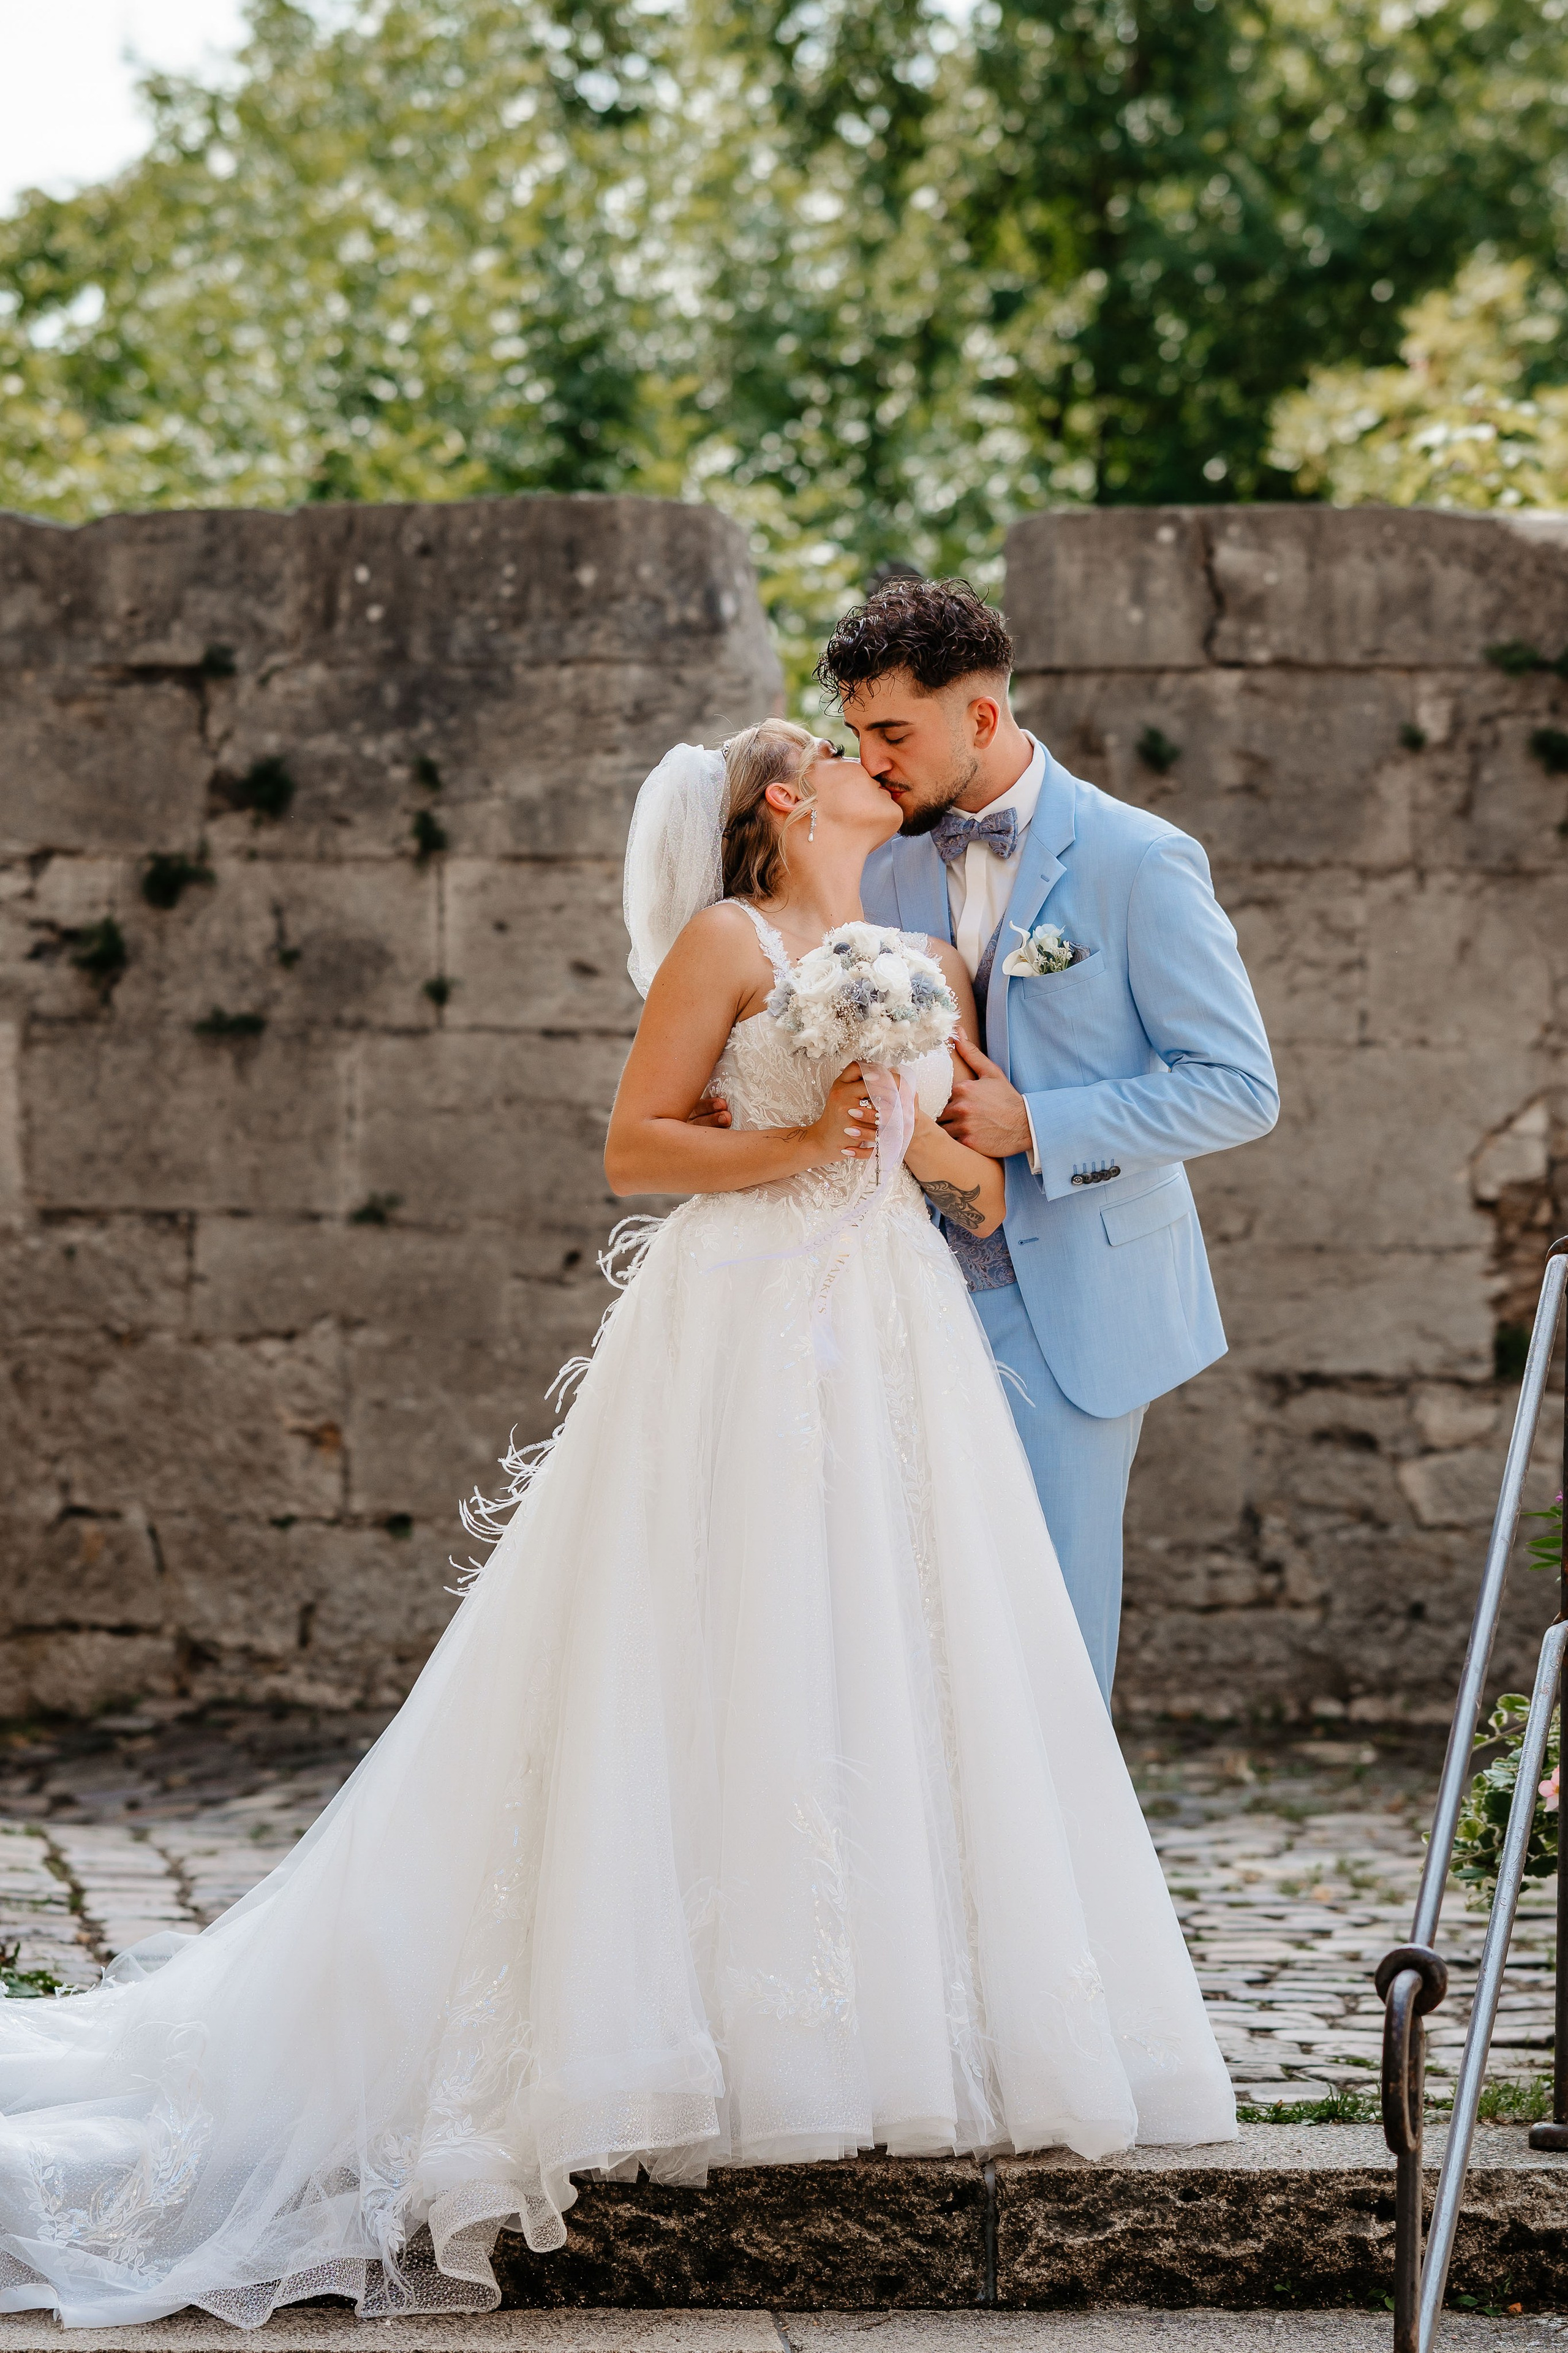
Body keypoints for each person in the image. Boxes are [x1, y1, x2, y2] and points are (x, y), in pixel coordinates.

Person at [0, 720, 1235, 2335]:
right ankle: (665, 2026)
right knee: (718, 1638)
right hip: (739, 1319)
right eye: (850, 752)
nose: (887, 768)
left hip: (896, 1338)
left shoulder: (924, 948)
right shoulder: (729, 940)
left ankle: (864, 2026)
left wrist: (960, 1149)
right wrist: (800, 1142)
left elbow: (954, 1175)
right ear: (789, 803)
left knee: (884, 1646)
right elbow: (634, 1142)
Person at [820, 578, 1278, 1701]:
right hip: (907, 1286)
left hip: (1075, 1295)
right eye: (856, 735)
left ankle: (1063, 1875)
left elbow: (1238, 1087)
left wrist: (1042, 1124)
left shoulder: (1141, 861)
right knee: (918, 1627)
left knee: (1053, 1641)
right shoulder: (884, 862)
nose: (873, 761)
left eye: (892, 732)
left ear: (979, 717)